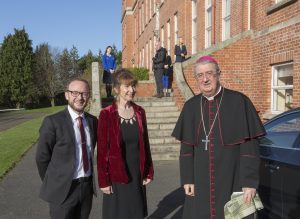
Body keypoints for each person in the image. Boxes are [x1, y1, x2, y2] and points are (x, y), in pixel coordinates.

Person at [171, 56, 266, 219]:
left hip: (232, 178)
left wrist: (249, 182)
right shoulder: (191, 106)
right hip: (200, 181)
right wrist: (187, 179)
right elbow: (186, 148)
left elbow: (250, 149)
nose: (205, 79)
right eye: (200, 75)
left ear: (218, 74)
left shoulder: (239, 101)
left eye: (209, 73)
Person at [36, 79, 98, 219]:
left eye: (84, 93)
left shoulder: (93, 121)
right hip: (63, 190)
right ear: (66, 95)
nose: (80, 97)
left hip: (86, 188)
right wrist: (54, 183)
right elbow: (42, 158)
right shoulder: (52, 122)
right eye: (75, 93)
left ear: (88, 96)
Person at [97, 68, 154, 219]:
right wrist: (104, 180)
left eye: (133, 86)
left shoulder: (140, 112)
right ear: (116, 89)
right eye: (127, 86)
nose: (131, 90)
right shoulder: (106, 114)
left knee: (136, 213)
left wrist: (148, 170)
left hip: (136, 173)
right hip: (116, 175)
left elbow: (145, 145)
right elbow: (102, 151)